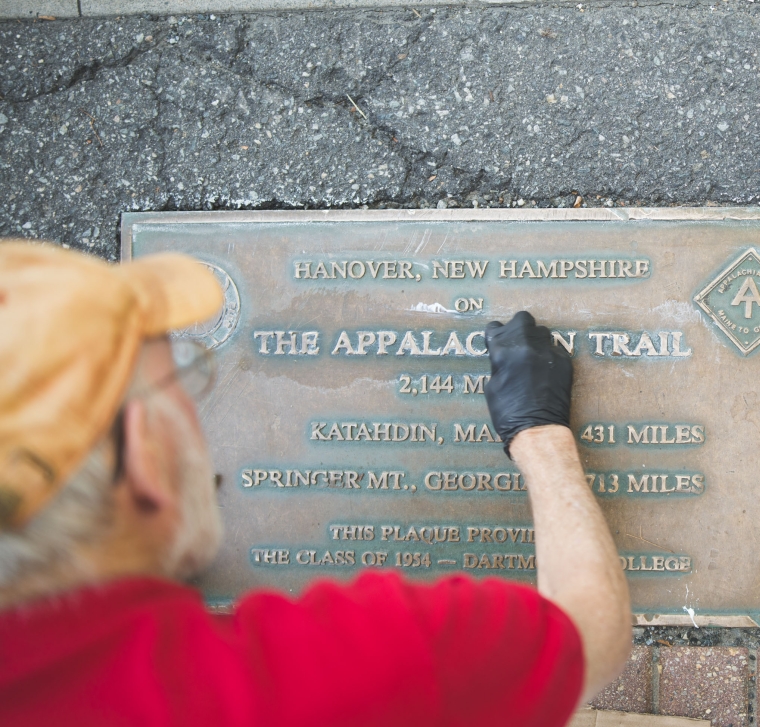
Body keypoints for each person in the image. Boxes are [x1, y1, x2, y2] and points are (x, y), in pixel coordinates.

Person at [0, 241, 631, 726]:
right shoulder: (348, 673)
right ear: (144, 461)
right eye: (183, 381)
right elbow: (588, 631)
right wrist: (539, 433)